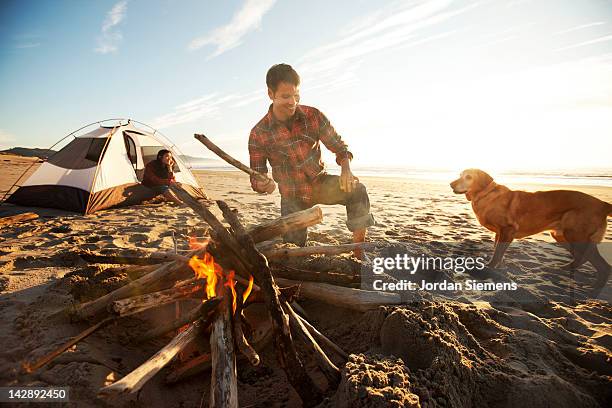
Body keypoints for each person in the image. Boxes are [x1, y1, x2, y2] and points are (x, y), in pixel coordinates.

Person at [248, 63, 375, 257]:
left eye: (296, 95)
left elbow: (339, 147)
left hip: (320, 184)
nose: (292, 102)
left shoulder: (313, 116)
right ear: (270, 94)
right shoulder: (258, 133)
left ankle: (358, 251)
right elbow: (257, 177)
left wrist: (346, 169)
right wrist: (263, 185)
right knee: (295, 254)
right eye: (285, 96)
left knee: (357, 190)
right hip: (292, 197)